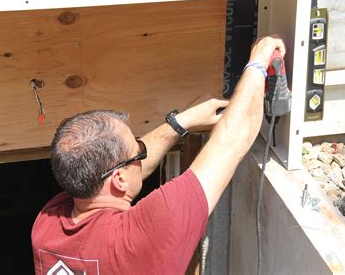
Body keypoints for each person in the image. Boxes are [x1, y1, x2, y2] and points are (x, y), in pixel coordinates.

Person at [31, 35, 286, 274]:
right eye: (137, 153)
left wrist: (182, 122)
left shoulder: (47, 225)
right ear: (119, 179)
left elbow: (130, 167)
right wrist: (258, 62)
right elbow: (232, 140)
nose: (142, 154)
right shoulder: (143, 235)